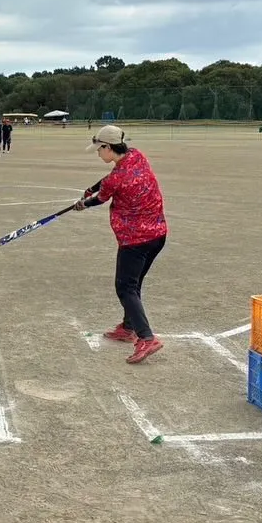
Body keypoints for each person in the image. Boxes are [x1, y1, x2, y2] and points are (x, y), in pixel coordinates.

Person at [73, 125, 168, 364]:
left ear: (108, 147)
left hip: (135, 240)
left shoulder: (118, 179)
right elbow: (106, 182)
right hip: (157, 234)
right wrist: (92, 188)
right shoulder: (136, 156)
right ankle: (128, 327)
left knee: (125, 287)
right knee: (133, 285)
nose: (97, 154)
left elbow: (101, 197)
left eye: (99, 149)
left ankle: (146, 337)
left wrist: (83, 203)